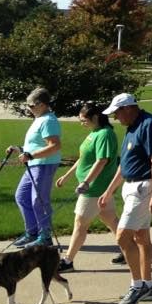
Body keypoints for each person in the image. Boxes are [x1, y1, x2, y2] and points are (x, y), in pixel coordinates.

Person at [99, 92, 152, 304]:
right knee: (141, 235)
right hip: (133, 185)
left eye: (117, 113)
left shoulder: (149, 125)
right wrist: (110, 190)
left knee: (122, 236)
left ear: (128, 108)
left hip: (145, 186)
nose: (116, 118)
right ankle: (148, 285)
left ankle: (137, 286)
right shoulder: (132, 127)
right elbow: (125, 164)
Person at [55, 102, 119, 272]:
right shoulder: (94, 133)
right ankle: (129, 248)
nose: (81, 122)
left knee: (80, 223)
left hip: (94, 189)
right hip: (94, 187)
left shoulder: (105, 134)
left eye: (83, 119)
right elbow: (83, 158)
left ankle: (68, 261)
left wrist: (86, 182)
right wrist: (67, 176)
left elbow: (102, 160)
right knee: (111, 220)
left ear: (96, 117)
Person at [8, 87, 62, 249]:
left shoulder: (48, 120)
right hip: (33, 164)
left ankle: (44, 236)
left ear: (42, 104)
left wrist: (31, 156)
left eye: (31, 105)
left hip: (44, 164)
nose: (29, 108)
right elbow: (36, 144)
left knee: (39, 200)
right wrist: (20, 149)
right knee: (22, 197)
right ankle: (32, 233)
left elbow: (55, 146)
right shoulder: (39, 119)